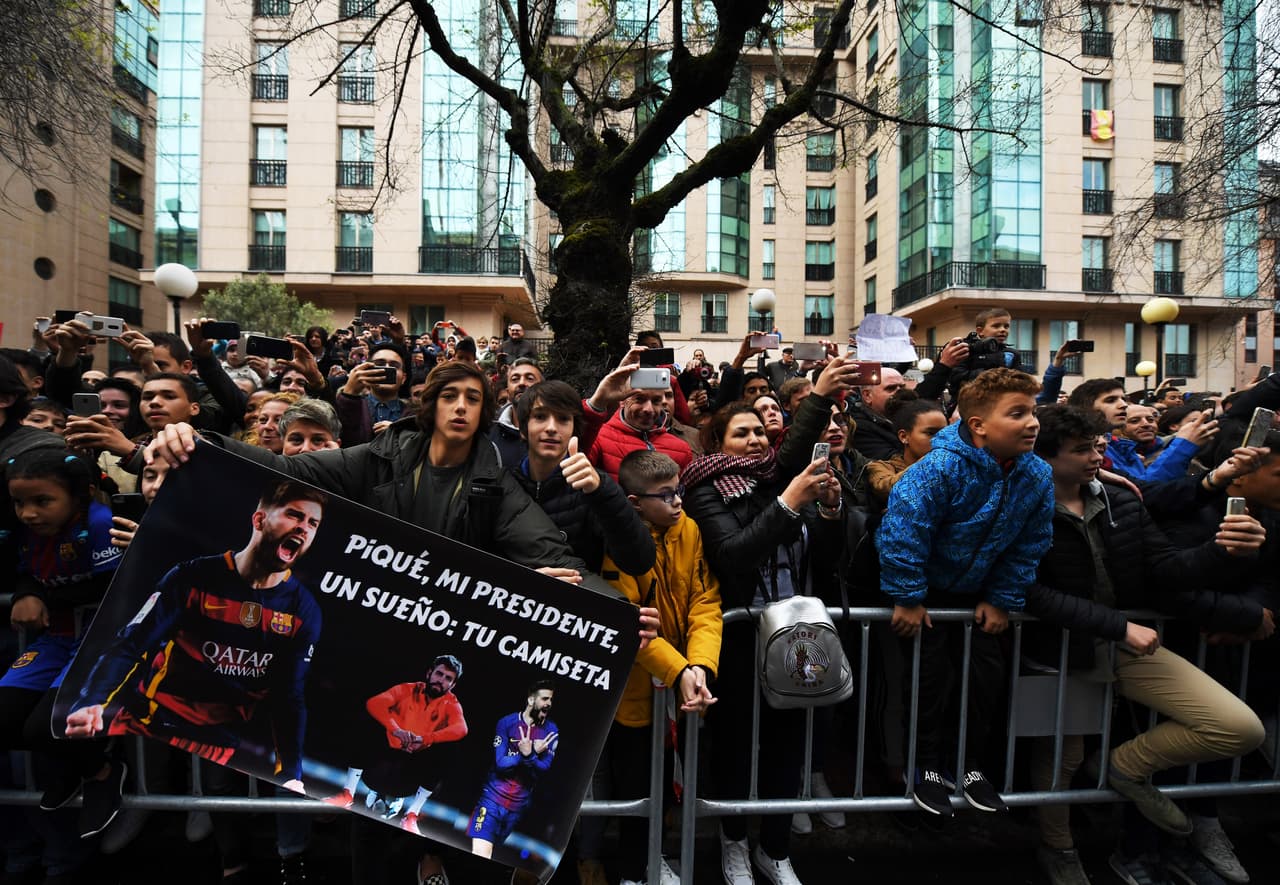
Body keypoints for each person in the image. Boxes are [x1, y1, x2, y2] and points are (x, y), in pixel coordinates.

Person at [1024, 405, 1269, 885]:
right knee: (1061, 760)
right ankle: (1059, 849)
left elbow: (1163, 569)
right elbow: (1026, 591)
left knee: (1237, 727)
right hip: (1059, 650)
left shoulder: (1121, 499)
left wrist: (1222, 551)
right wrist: (1118, 626)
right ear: (1045, 457)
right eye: (1082, 450)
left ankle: (1121, 767)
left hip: (1123, 645)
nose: (1096, 457)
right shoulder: (1020, 504)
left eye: (1098, 446)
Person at [66, 479, 324, 787]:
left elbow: (289, 695)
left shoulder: (304, 609)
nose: (303, 528)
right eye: (294, 515)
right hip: (152, 720)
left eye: (312, 523)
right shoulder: (192, 576)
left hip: (221, 740)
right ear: (259, 520)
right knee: (152, 791)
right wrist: (93, 701)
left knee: (217, 799)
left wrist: (291, 773)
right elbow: (131, 644)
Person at [877, 368, 1052, 816]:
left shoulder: (1036, 474)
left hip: (980, 597)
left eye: (1033, 412)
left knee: (983, 686)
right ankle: (926, 767)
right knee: (929, 685)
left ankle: (969, 765)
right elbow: (904, 530)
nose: (1032, 423)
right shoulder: (939, 467)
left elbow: (1030, 543)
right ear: (978, 425)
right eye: (1017, 413)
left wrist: (1002, 598)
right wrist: (909, 597)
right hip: (927, 597)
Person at [682, 402, 844, 885]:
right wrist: (789, 502)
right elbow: (733, 553)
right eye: (741, 433)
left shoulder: (785, 482)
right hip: (738, 633)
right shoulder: (706, 490)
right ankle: (733, 843)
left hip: (796, 635)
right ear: (717, 443)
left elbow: (826, 560)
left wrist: (829, 509)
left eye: (759, 431)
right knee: (733, 745)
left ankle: (775, 849)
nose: (755, 439)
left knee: (786, 745)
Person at [603, 450, 722, 885]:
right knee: (636, 787)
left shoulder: (689, 529)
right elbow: (629, 623)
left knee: (673, 781)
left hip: (682, 683)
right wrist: (680, 670)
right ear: (635, 503)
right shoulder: (620, 542)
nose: (677, 502)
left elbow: (705, 601)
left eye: (679, 491)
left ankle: (657, 858)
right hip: (635, 693)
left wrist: (700, 664)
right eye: (666, 495)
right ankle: (633, 870)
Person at [0, 450, 127, 841]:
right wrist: (26, 591)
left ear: (79, 495)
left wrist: (41, 597)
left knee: (46, 727)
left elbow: (111, 586)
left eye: (43, 501)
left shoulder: (101, 523)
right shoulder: (25, 531)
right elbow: (24, 572)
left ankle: (102, 771)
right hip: (57, 639)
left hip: (100, 642)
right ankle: (74, 764)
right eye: (19, 502)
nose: (28, 514)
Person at [512, 379, 655, 575]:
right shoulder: (507, 484)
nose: (551, 427)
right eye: (540, 417)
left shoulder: (592, 485)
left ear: (574, 430)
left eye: (563, 419)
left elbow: (639, 561)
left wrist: (603, 492)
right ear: (523, 429)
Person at [326, 656, 468, 835]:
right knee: (367, 723)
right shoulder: (408, 689)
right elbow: (374, 703)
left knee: (448, 751)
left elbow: (461, 729)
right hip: (382, 761)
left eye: (448, 678)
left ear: (452, 685)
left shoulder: (451, 703)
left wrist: (424, 740)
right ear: (429, 673)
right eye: (439, 674)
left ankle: (411, 815)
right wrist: (396, 730)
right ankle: (347, 795)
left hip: (411, 771)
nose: (441, 680)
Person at [468, 681, 559, 859]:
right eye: (544, 699)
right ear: (531, 700)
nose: (548, 703)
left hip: (517, 808)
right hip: (491, 800)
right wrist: (528, 754)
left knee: (492, 853)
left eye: (551, 700)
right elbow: (501, 763)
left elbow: (544, 769)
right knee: (481, 853)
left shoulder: (551, 731)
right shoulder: (507, 723)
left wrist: (529, 755)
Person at [1068, 377, 1217, 481]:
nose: (1123, 405)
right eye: (1111, 400)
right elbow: (1144, 491)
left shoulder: (1121, 447)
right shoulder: (1092, 450)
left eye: (1123, 399)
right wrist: (1183, 445)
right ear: (1085, 408)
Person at [914, 307, 1023, 403]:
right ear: (980, 331)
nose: (1003, 330)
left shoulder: (1011, 354)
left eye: (1006, 326)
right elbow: (957, 377)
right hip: (965, 402)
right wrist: (991, 373)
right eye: (996, 326)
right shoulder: (965, 349)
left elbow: (1020, 382)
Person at [589, 388, 693, 480]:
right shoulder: (597, 438)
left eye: (656, 401)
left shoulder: (681, 449)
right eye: (639, 399)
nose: (649, 409)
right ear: (622, 400)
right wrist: (596, 402)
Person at [866, 393, 947, 509]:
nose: (940, 439)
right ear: (904, 436)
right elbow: (886, 488)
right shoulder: (881, 467)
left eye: (944, 433)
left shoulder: (952, 466)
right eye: (931, 433)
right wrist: (927, 463)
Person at [848, 367, 906, 460]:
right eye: (891, 388)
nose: (901, 393)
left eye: (902, 388)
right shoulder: (859, 427)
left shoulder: (911, 417)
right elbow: (894, 461)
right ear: (867, 395)